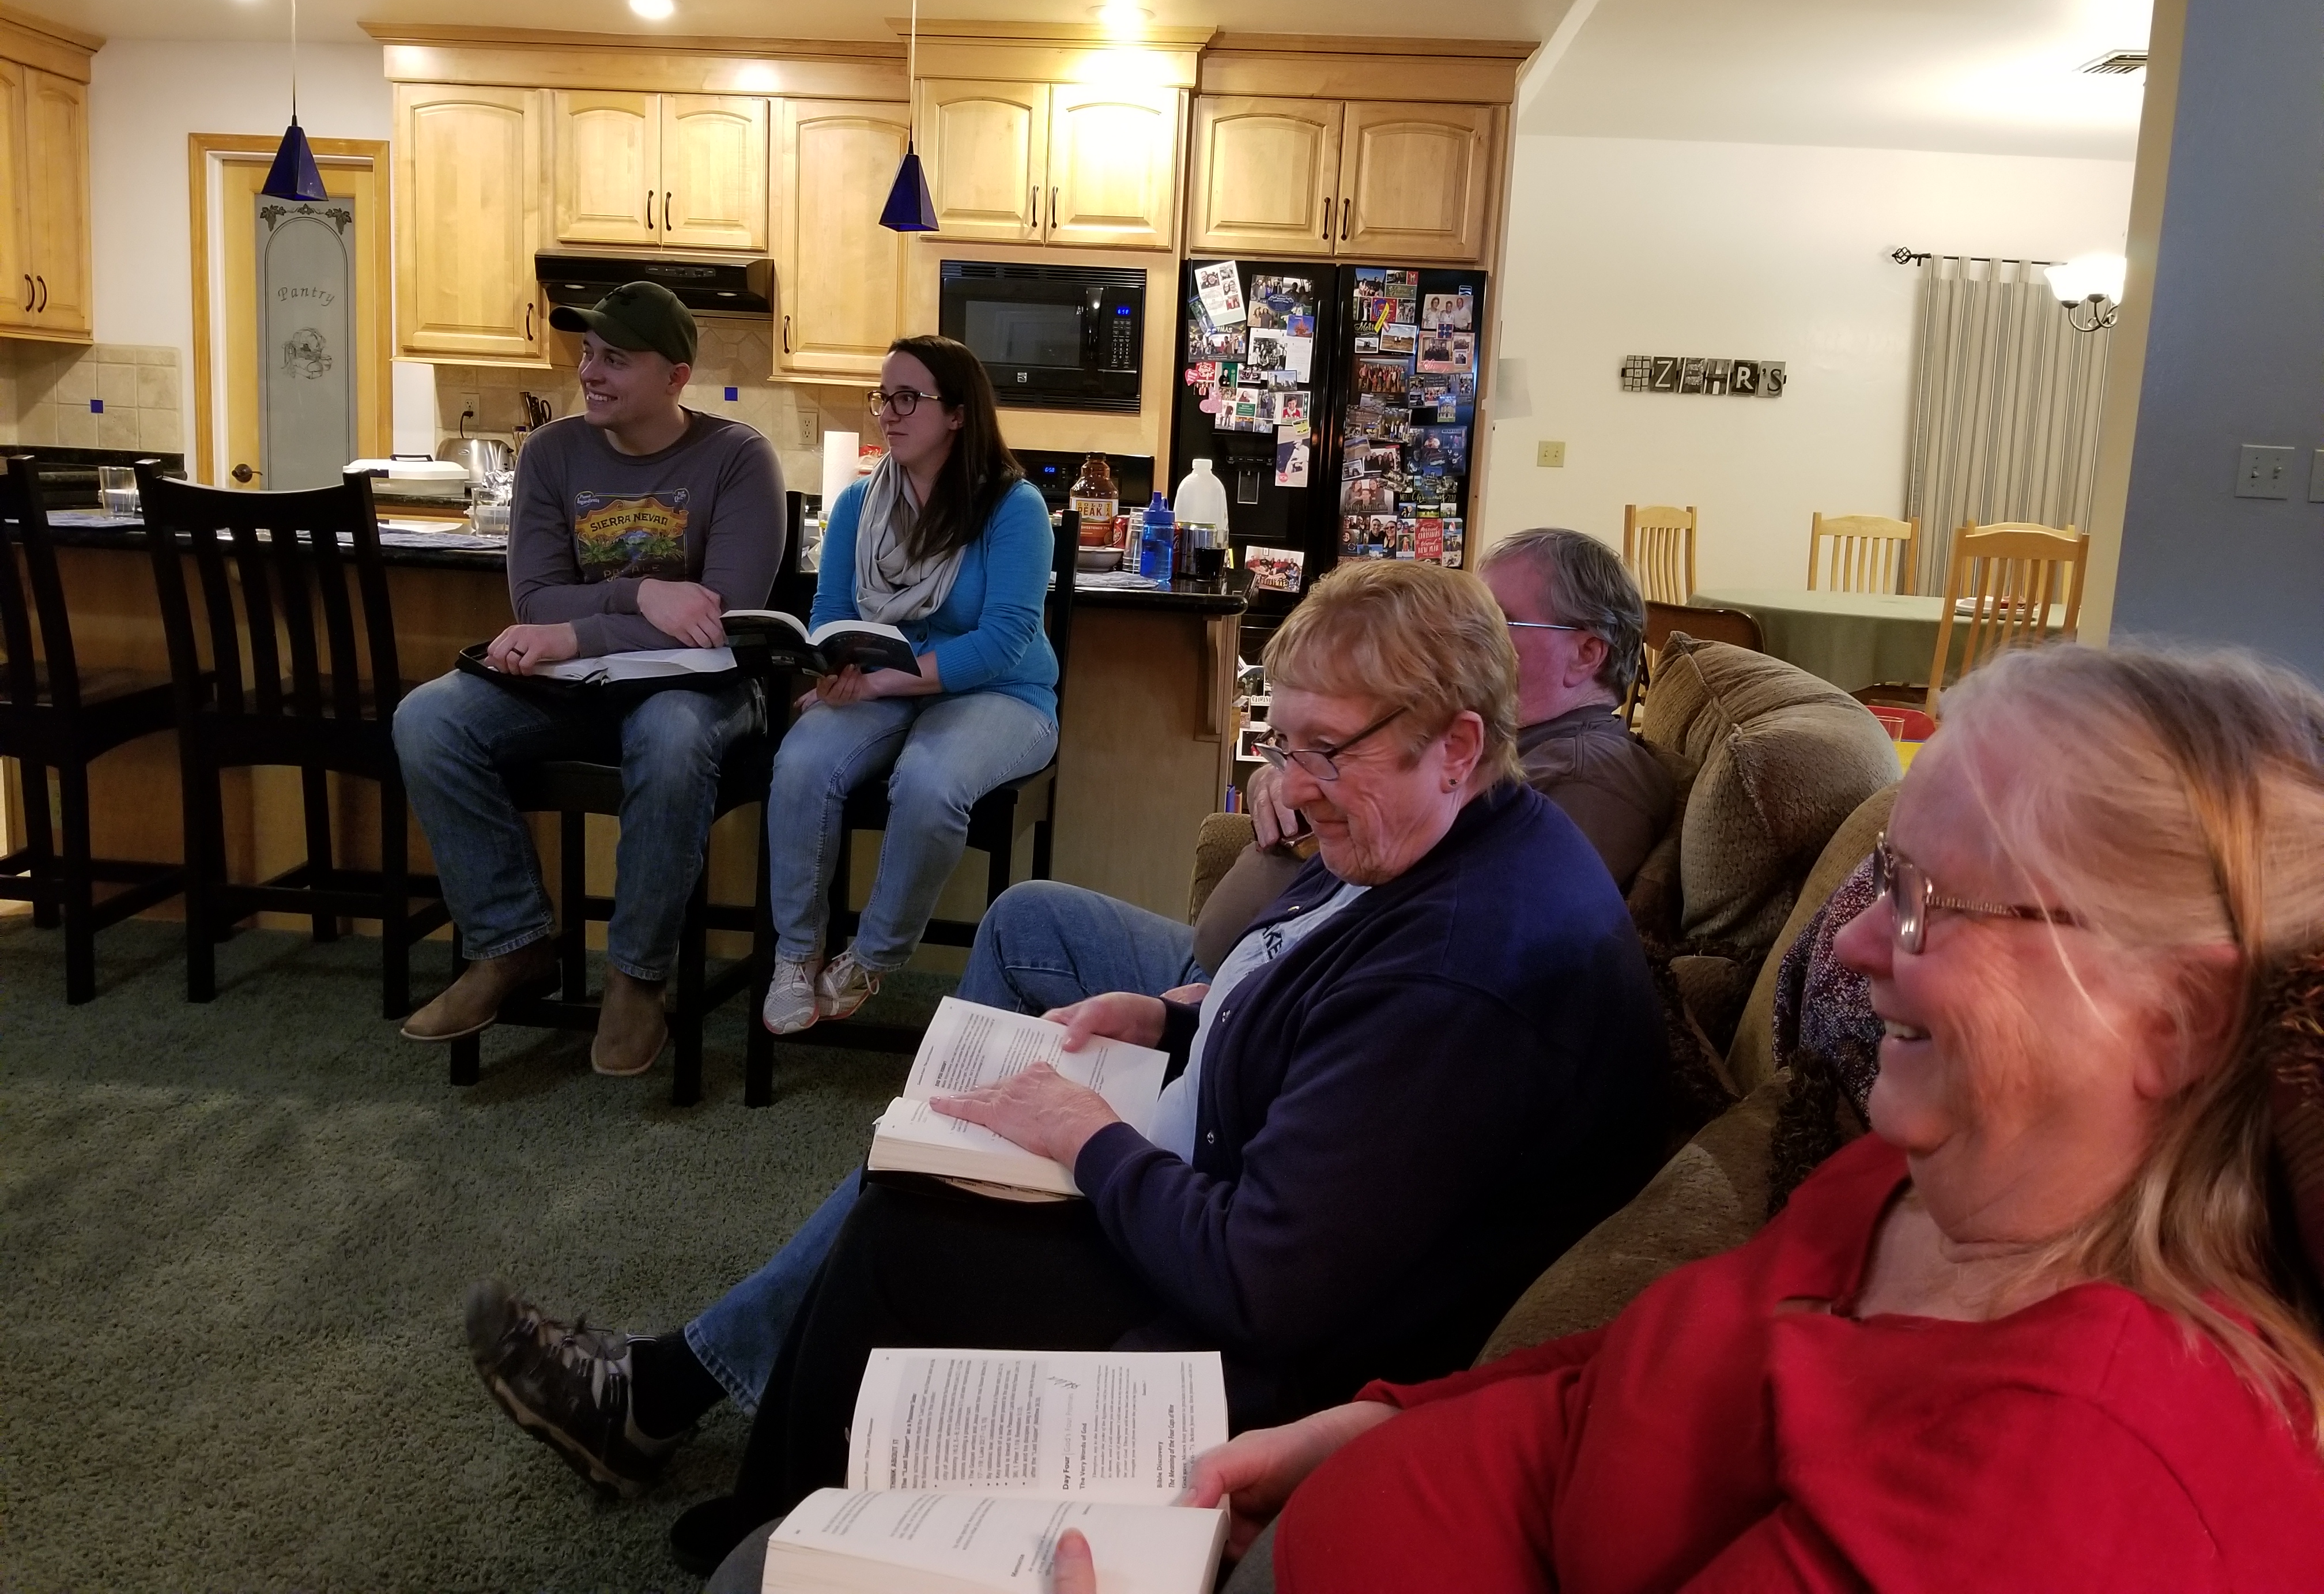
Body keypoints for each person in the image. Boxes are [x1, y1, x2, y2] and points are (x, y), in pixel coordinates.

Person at [462, 562, 1669, 1584]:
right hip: (1249, 1188)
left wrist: (1088, 1136)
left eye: (1324, 750)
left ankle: (777, 1521)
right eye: (1282, 742)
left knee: (910, 1235)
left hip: (1278, 1350)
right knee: (915, 1201)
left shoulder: (1461, 970)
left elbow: (1266, 1284)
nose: (1293, 786)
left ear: (1457, 745)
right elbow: (1311, 998)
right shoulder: (1450, 834)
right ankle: (773, 1497)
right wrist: (1173, 1021)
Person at [1174, 640, 2324, 1592]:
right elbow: (1648, 1368)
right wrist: (1381, 1426)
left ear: (2180, 1015)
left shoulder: (2080, 1459)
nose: (1854, 943)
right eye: (1881, 880)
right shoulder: (1912, 1177)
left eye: (1929, 904)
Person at [394, 281, 782, 1075]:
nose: (590, 373)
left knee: (670, 740)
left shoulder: (739, 458)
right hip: (572, 689)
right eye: (588, 354)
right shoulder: (551, 453)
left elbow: (721, 617)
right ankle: (511, 943)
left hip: (697, 688)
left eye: (616, 360)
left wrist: (575, 629)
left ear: (675, 377)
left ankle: (637, 977)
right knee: (428, 720)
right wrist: (642, 595)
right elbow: (534, 600)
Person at [756, 334, 1060, 1033]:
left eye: (907, 398)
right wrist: (834, 668)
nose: (888, 413)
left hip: (1001, 693)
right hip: (880, 682)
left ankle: (872, 956)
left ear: (957, 413)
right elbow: (832, 611)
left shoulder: (1012, 507)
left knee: (928, 782)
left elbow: (1004, 640)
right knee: (800, 761)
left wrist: (878, 686)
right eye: (883, 397)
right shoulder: (859, 505)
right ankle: (797, 954)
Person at [1202, 526, 1670, 959]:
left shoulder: (1590, 776)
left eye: (1496, 622)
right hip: (1237, 982)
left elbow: (1474, 945)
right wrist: (1287, 768)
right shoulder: (1502, 742)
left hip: (1275, 991)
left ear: (1587, 653)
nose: (1462, 640)